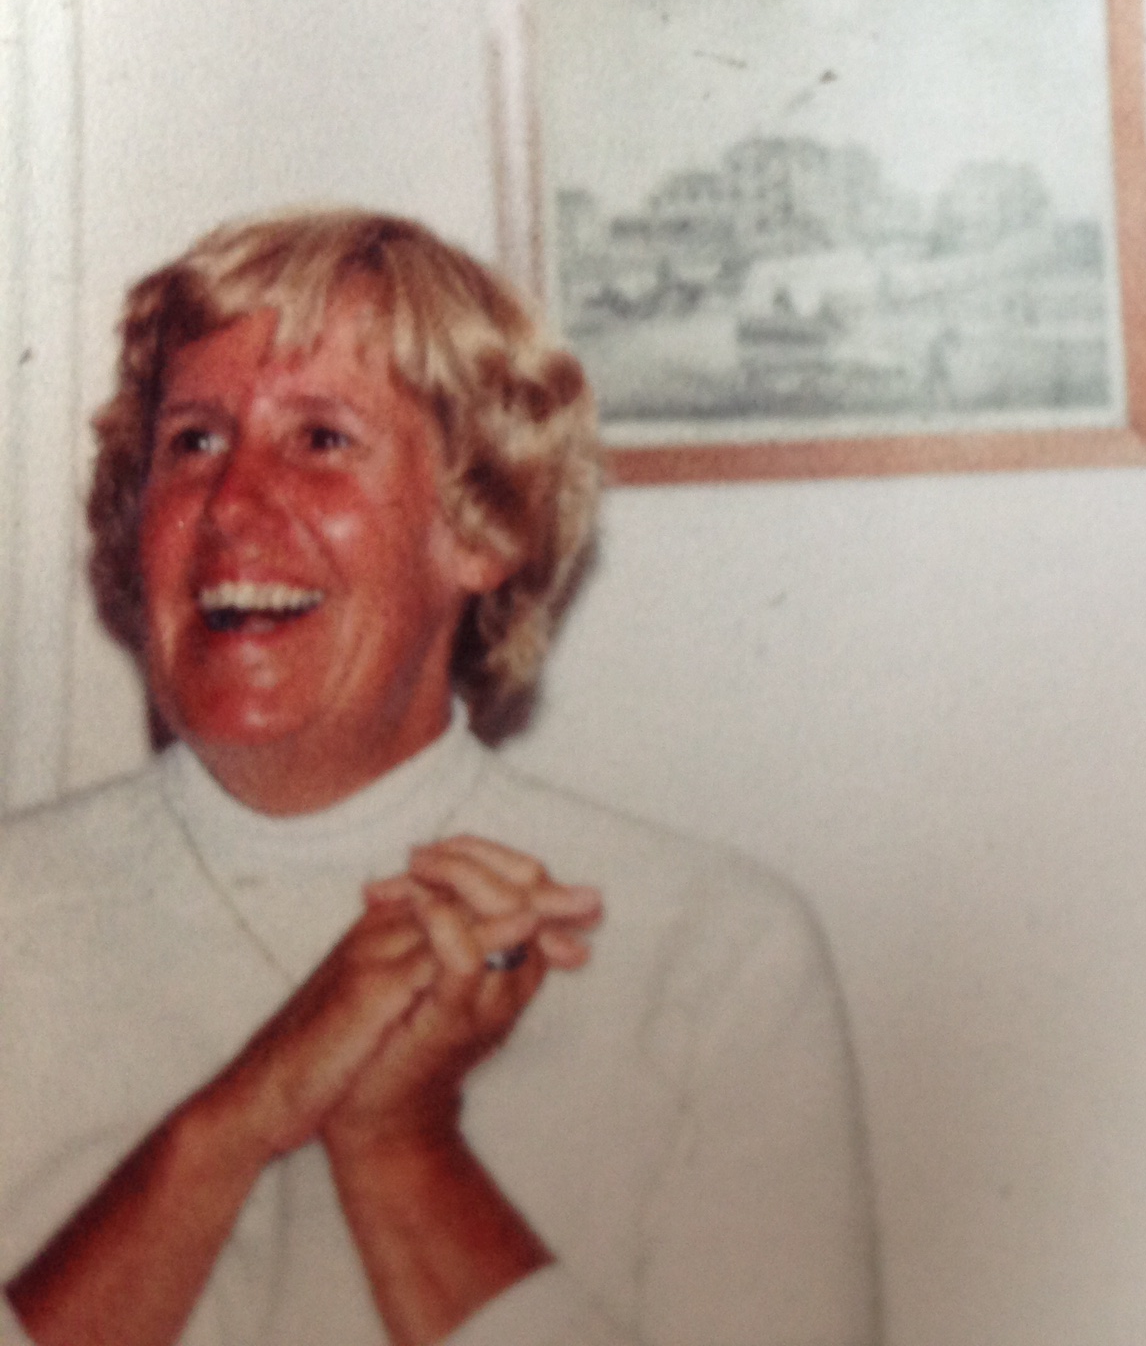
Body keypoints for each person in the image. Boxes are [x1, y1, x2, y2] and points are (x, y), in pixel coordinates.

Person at [0, 211, 879, 1346]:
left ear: (481, 528)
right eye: (195, 442)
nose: (231, 505)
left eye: (321, 440)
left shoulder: (708, 951)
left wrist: (400, 1144)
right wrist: (237, 1118)